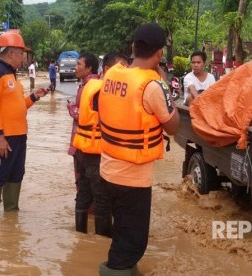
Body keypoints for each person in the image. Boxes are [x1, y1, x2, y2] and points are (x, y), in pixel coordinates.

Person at [98, 23, 180, 276]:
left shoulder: (111, 74)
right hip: (132, 180)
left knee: (122, 235)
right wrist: (165, 87)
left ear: (133, 47)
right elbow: (173, 128)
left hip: (107, 171)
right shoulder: (154, 87)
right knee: (131, 246)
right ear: (159, 54)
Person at [0, 31, 49, 218]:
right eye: (22, 53)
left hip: (19, 135)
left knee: (16, 173)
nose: (24, 57)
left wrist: (34, 97)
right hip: (2, 137)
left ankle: (11, 216)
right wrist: (0, 136)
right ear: (11, 53)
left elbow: (18, 106)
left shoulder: (12, 76)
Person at [71, 53, 128, 237]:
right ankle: (102, 243)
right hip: (95, 153)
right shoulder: (103, 90)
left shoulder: (90, 86)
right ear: (107, 71)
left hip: (83, 149)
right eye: (122, 69)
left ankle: (80, 237)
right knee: (101, 199)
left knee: (84, 195)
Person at [67, 53, 100, 202]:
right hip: (89, 143)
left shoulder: (90, 87)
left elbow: (83, 116)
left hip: (85, 145)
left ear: (89, 68)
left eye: (79, 64)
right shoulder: (90, 85)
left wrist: (71, 108)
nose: (75, 67)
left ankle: (87, 218)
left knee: (84, 186)